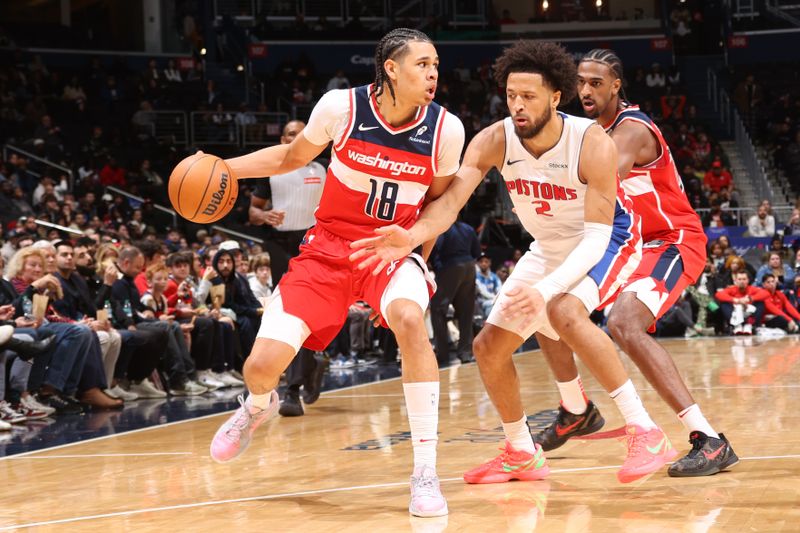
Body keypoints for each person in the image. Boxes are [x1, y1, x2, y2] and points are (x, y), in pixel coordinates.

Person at [351, 40, 672, 485]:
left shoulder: (590, 141)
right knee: (487, 347)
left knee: (564, 311)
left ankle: (645, 429)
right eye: (511, 96)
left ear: (556, 97)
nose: (518, 106)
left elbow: (598, 234)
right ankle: (521, 452)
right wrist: (413, 237)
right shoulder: (495, 139)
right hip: (549, 245)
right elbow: (450, 204)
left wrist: (545, 289)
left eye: (529, 97)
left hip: (608, 237)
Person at [207, 28, 464, 518]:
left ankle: (425, 472)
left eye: (436, 65)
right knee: (259, 368)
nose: (433, 74)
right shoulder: (340, 108)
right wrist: (224, 167)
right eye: (422, 64)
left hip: (392, 249)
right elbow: (289, 157)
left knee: (411, 320)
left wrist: (415, 252)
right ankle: (256, 407)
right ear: (391, 68)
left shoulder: (445, 129)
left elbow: (441, 203)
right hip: (327, 249)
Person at [524, 48, 736, 477]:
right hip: (628, 243)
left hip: (672, 240)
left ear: (616, 86)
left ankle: (709, 440)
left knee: (624, 323)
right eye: (580, 82)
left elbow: (597, 177)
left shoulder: (632, 130)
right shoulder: (586, 132)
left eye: (596, 83)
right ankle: (575, 407)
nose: (585, 90)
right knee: (543, 299)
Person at [248, 120, 327, 418]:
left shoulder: (323, 169)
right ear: (283, 139)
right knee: (288, 311)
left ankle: (308, 366)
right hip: (279, 244)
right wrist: (264, 214)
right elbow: (253, 211)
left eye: (302, 134)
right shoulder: (271, 171)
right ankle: (293, 386)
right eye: (292, 135)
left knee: (305, 312)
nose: (298, 138)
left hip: (312, 243)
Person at [428, 219, 480, 366]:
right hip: (469, 268)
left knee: (438, 310)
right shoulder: (468, 228)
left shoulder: (440, 228)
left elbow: (434, 250)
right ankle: (465, 353)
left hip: (449, 267)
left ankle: (442, 354)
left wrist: (437, 267)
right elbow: (476, 252)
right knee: (466, 312)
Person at [475, 254, 502, 319]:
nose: (484, 264)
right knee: (491, 308)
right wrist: (495, 299)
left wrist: (498, 299)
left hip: (494, 301)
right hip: (481, 303)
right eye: (481, 262)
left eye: (486, 261)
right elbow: (482, 292)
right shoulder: (476, 276)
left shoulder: (494, 276)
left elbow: (500, 290)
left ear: (490, 263)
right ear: (478, 263)